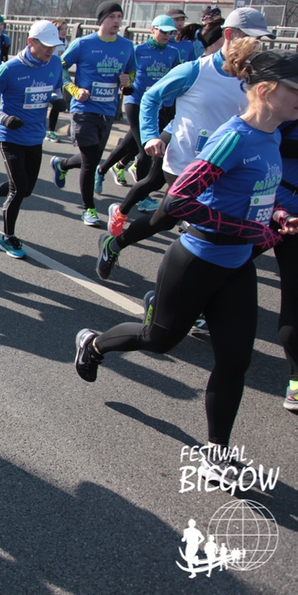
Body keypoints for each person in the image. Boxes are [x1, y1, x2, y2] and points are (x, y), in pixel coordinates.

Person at [74, 48, 298, 482]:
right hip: (197, 260)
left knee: (234, 361)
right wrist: (246, 230)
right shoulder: (235, 138)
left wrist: (275, 216)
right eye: (296, 90)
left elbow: (253, 195)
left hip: (237, 265)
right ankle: (94, 344)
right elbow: (178, 202)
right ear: (267, 90)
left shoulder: (272, 136)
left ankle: (216, 452)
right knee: (157, 340)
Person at [95, 8, 274, 280]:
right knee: (197, 227)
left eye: (260, 41)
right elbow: (151, 98)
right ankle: (170, 292)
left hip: (228, 168)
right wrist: (151, 135)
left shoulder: (255, 79)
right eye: (251, 39)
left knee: (166, 222)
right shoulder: (195, 70)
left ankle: (118, 247)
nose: (257, 47)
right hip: (186, 163)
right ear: (229, 35)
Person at [0, 20, 65, 258]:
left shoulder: (55, 62)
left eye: (54, 46)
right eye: (46, 45)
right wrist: (3, 118)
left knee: (26, 189)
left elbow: (56, 88)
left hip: (35, 135)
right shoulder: (10, 68)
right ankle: (8, 238)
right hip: (10, 136)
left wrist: (56, 99)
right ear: (31, 42)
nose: (51, 50)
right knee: (18, 188)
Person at [50, 1, 136, 227]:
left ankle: (62, 165)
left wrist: (127, 80)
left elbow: (132, 72)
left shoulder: (127, 46)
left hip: (108, 110)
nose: (117, 21)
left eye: (119, 16)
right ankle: (89, 208)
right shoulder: (83, 44)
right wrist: (74, 90)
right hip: (84, 109)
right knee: (90, 161)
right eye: (112, 16)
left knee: (93, 158)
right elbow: (59, 67)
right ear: (101, 20)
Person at [93, 15, 181, 204]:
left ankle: (101, 170)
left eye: (170, 32)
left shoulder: (173, 53)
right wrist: (126, 85)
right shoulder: (138, 51)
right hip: (136, 102)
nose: (167, 35)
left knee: (129, 145)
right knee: (146, 149)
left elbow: (178, 77)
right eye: (163, 31)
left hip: (159, 106)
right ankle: (142, 197)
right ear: (152, 29)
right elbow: (126, 73)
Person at [275, 117, 298, 411]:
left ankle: (296, 380)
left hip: (296, 224)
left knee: (293, 300)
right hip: (263, 210)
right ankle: (172, 305)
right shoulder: (286, 109)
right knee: (217, 273)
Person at [45, 20, 70, 143]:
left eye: (66, 29)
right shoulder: (49, 43)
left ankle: (51, 131)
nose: (64, 31)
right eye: (61, 29)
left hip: (58, 77)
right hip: (46, 76)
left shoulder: (66, 43)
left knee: (57, 103)